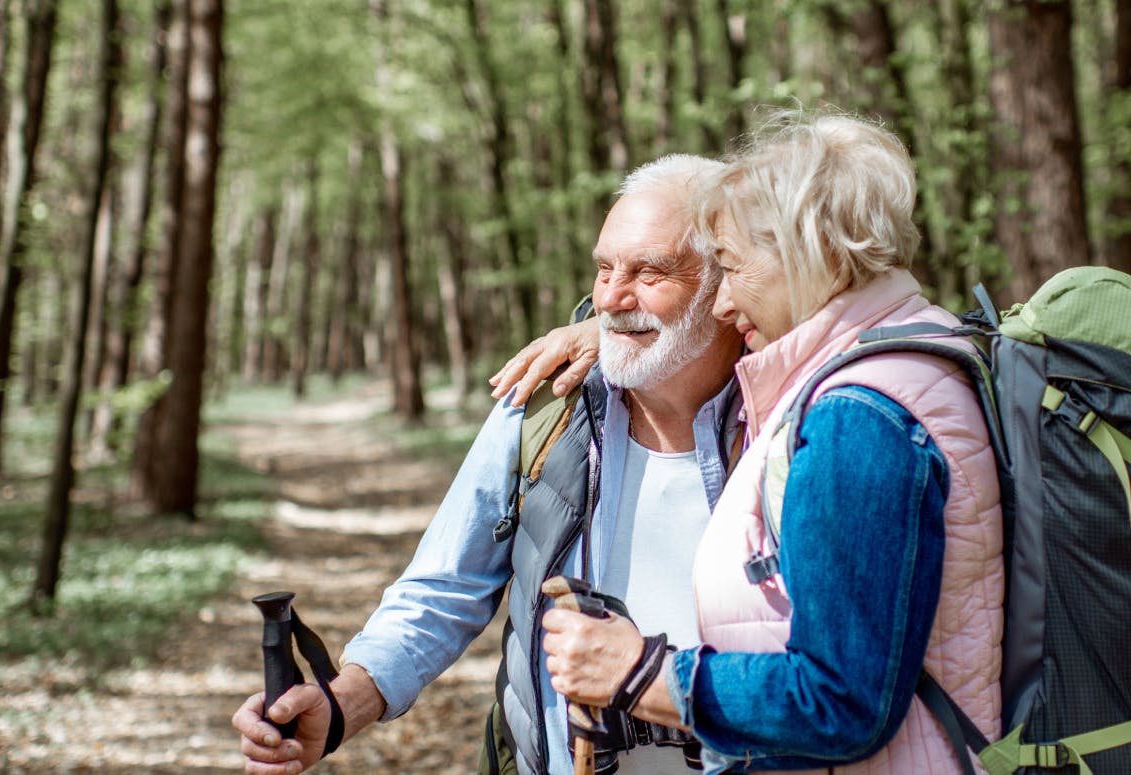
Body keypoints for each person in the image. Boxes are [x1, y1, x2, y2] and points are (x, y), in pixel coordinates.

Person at [527, 113, 1131, 773]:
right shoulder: (936, 348)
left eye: (728, 268)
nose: (721, 302)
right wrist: (606, 332)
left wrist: (642, 673)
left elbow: (840, 701)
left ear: (805, 248)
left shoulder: (861, 414)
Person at [233, 154, 748, 775]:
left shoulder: (795, 425)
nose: (610, 296)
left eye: (650, 273)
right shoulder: (546, 405)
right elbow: (445, 585)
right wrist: (342, 706)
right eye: (605, 267)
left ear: (729, 283)